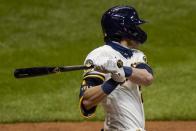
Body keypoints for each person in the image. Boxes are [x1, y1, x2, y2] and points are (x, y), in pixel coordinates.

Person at [79, 5, 154, 131]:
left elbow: (147, 78)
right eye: (134, 26)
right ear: (124, 29)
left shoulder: (136, 55)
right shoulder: (99, 55)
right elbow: (86, 103)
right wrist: (113, 81)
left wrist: (123, 70)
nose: (138, 30)